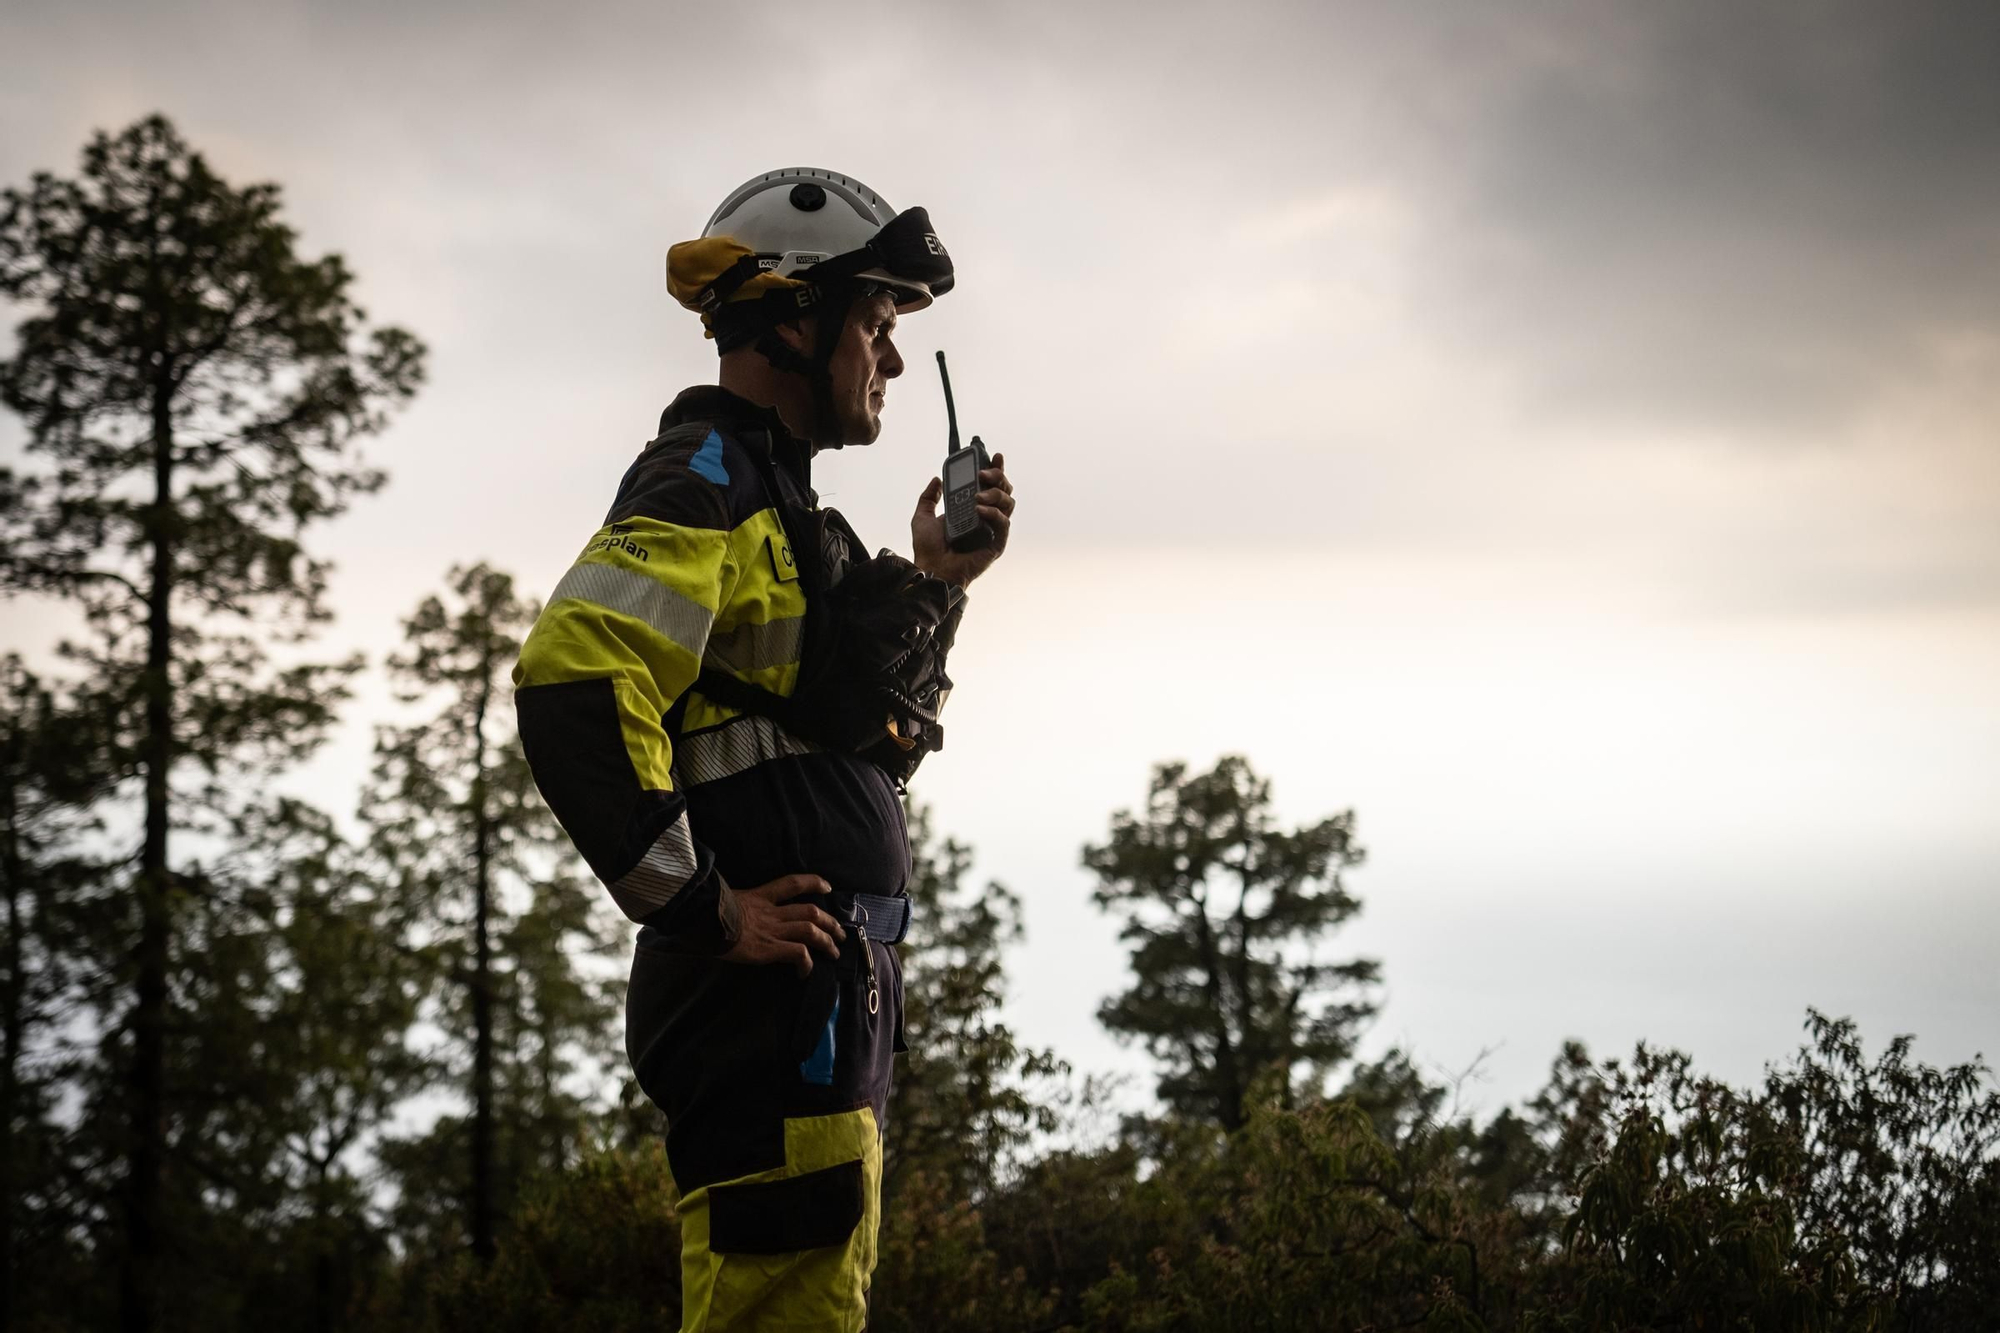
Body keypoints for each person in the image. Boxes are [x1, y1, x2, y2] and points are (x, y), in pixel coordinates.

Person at [511, 168, 1014, 1331]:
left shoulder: (778, 505)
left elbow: (847, 740)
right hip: (770, 1014)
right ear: (796, 316)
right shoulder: (709, 483)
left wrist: (937, 578)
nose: (887, 361)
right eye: (878, 325)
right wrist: (703, 909)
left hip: (821, 1014)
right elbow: (577, 677)